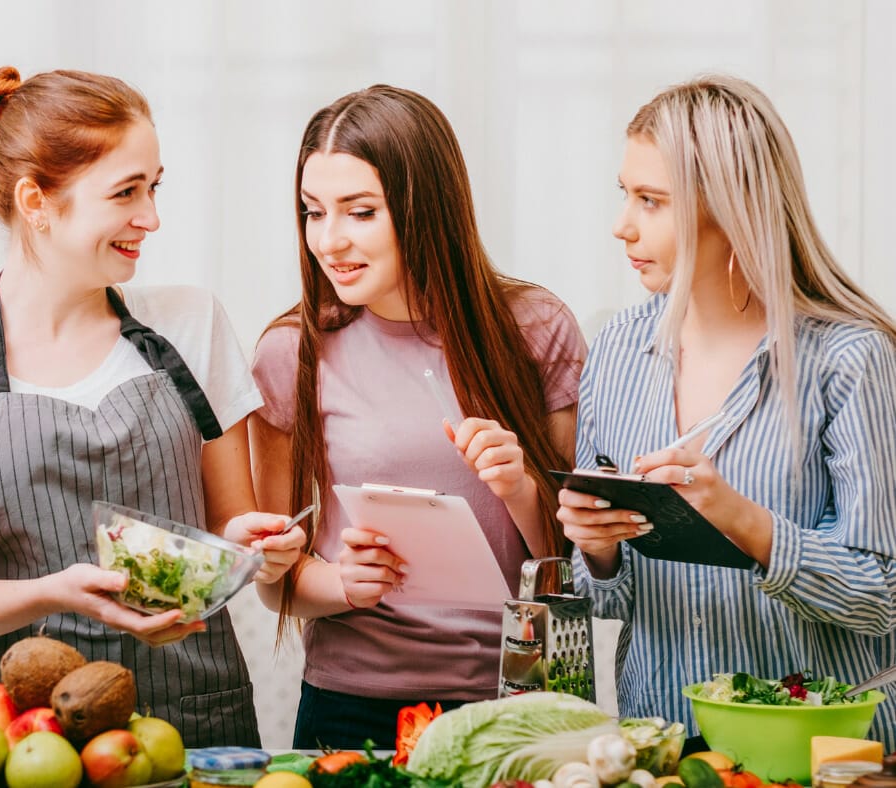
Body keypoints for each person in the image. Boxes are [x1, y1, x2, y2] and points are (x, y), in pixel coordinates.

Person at [0, 67, 306, 747]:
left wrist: (253, 550)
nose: (151, 217)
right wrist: (57, 592)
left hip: (197, 719)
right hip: (22, 742)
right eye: (125, 192)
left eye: (154, 186)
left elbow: (228, 528)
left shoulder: (190, 322)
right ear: (36, 201)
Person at [558, 74, 896, 748]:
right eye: (626, 195)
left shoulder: (851, 358)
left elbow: (880, 594)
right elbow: (605, 608)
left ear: (733, 208)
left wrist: (744, 522)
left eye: (651, 201)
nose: (622, 225)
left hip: (815, 756)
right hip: (664, 752)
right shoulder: (617, 350)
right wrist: (595, 553)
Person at [250, 84, 586, 748]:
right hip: (351, 708)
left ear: (423, 208)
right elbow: (277, 579)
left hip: (514, 700)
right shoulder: (291, 353)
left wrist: (519, 487)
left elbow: (573, 563)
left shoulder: (536, 329)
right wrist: (343, 584)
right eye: (314, 212)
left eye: (360, 212)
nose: (330, 240)